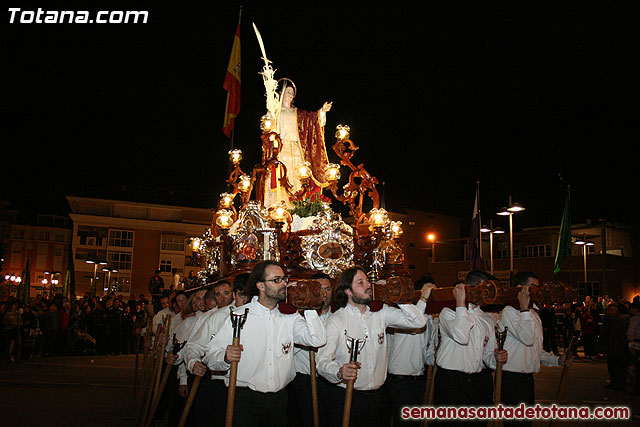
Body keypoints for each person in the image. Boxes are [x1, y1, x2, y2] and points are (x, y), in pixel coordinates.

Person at [201, 261, 326, 427]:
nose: (284, 284)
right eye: (276, 280)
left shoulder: (289, 316)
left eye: (284, 279)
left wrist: (308, 306)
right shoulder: (239, 316)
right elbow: (209, 354)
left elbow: (316, 340)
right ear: (260, 285)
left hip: (279, 400)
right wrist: (224, 356)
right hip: (245, 400)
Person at [316, 266, 430, 427]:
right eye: (360, 283)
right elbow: (322, 361)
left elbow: (418, 322)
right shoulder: (336, 321)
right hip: (347, 396)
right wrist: (339, 371)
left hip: (379, 397)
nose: (368, 285)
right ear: (348, 291)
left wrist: (398, 298)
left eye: (368, 281)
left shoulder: (381, 313)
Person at [433, 270, 508, 427]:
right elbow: (461, 336)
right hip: (452, 382)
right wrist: (461, 303)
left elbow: (487, 356)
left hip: (478, 381)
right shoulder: (448, 313)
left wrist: (496, 357)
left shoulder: (487, 319)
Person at [498, 272, 571, 426]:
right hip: (511, 379)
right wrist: (524, 307)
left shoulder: (533, 314)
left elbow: (537, 350)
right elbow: (527, 338)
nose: (539, 291)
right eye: (534, 287)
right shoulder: (509, 312)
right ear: (521, 288)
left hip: (527, 379)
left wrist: (557, 360)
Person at [264, 79, 333, 208]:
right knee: (281, 178)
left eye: (292, 93)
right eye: (288, 92)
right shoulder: (275, 112)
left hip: (296, 150)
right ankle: (278, 208)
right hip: (280, 151)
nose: (291, 95)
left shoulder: (298, 113)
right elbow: (268, 131)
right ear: (281, 93)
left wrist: (322, 112)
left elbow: (312, 119)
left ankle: (298, 208)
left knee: (298, 179)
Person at [386, 275, 438, 426]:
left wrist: (436, 356)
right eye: (428, 293)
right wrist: (423, 299)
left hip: (418, 379)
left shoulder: (429, 319)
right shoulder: (403, 317)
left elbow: (427, 353)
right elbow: (415, 324)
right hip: (400, 381)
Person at [292, 272, 335, 427]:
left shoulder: (339, 317)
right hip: (306, 381)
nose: (324, 294)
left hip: (332, 381)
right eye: (319, 289)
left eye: (328, 289)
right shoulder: (298, 319)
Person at [598, 303, 630, 390]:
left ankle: (620, 384)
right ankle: (614, 382)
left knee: (619, 367)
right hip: (610, 347)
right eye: (609, 311)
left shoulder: (620, 321)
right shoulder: (608, 321)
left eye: (612, 311)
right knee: (611, 367)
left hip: (618, 348)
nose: (610, 312)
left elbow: (621, 336)